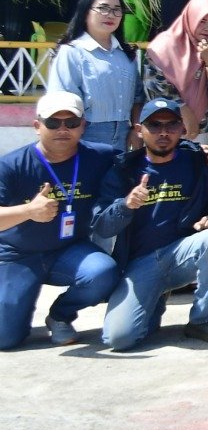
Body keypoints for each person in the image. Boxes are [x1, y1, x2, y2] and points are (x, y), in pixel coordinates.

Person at [93, 98, 208, 348]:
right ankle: (155, 298)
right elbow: (102, 226)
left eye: (171, 125)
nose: (163, 133)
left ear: (182, 128)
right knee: (119, 339)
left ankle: (203, 320)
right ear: (139, 130)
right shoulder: (123, 169)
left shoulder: (198, 162)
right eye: (154, 126)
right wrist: (125, 205)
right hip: (140, 264)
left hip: (182, 255)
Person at [0, 92, 120, 348]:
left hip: (68, 250)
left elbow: (150, 156)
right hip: (17, 254)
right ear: (37, 126)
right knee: (5, 338)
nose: (63, 130)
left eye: (71, 123)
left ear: (83, 126)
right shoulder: (11, 165)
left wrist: (199, 152)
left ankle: (60, 316)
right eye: (53, 123)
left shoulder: (101, 156)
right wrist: (28, 212)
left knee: (102, 272)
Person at [46, 0, 141, 152]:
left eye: (117, 10)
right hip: (85, 134)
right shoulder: (72, 52)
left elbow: (137, 98)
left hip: (123, 135)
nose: (110, 15)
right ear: (86, 11)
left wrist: (135, 129)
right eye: (103, 8)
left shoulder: (127, 55)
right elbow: (62, 102)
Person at [142, 0, 208, 140]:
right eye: (202, 21)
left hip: (202, 131)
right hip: (162, 129)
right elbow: (154, 86)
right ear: (190, 19)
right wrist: (183, 110)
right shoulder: (163, 47)